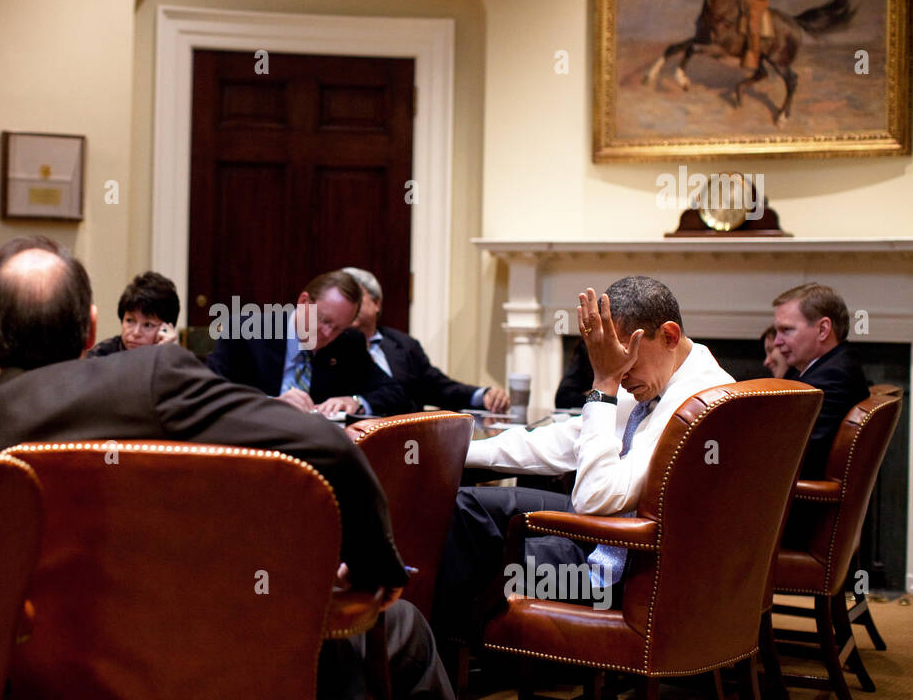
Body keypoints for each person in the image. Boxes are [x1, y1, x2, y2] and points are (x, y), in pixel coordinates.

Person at [0, 236, 472, 700]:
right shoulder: (150, 378)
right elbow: (329, 448)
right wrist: (378, 569)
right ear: (92, 330)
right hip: (204, 662)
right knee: (403, 625)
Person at [433, 276, 733, 639]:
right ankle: (456, 649)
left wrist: (604, 384)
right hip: (615, 528)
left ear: (668, 336)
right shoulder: (664, 374)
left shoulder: (697, 403)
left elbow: (594, 499)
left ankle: (456, 659)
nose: (622, 378)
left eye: (625, 362)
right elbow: (567, 438)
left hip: (635, 565)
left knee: (488, 554)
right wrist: (458, 451)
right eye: (611, 364)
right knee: (466, 508)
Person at [205, 270, 408, 417]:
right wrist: (270, 403)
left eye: (337, 328)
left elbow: (395, 393)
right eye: (324, 320)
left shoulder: (347, 342)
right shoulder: (247, 330)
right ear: (303, 302)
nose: (327, 333)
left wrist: (355, 402)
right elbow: (210, 394)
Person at [342, 267, 509, 414]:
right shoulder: (325, 346)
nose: (348, 306)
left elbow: (439, 388)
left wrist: (483, 395)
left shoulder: (404, 345)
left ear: (376, 303)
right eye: (343, 300)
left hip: (407, 440)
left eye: (355, 298)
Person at [771, 283, 867, 481]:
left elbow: (795, 456)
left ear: (823, 329)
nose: (776, 342)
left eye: (786, 330)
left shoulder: (833, 378)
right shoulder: (830, 367)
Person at [87, 271, 179, 357]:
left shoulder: (176, 363)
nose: (136, 333)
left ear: (166, 330)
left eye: (148, 325)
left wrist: (163, 354)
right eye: (130, 321)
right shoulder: (101, 355)